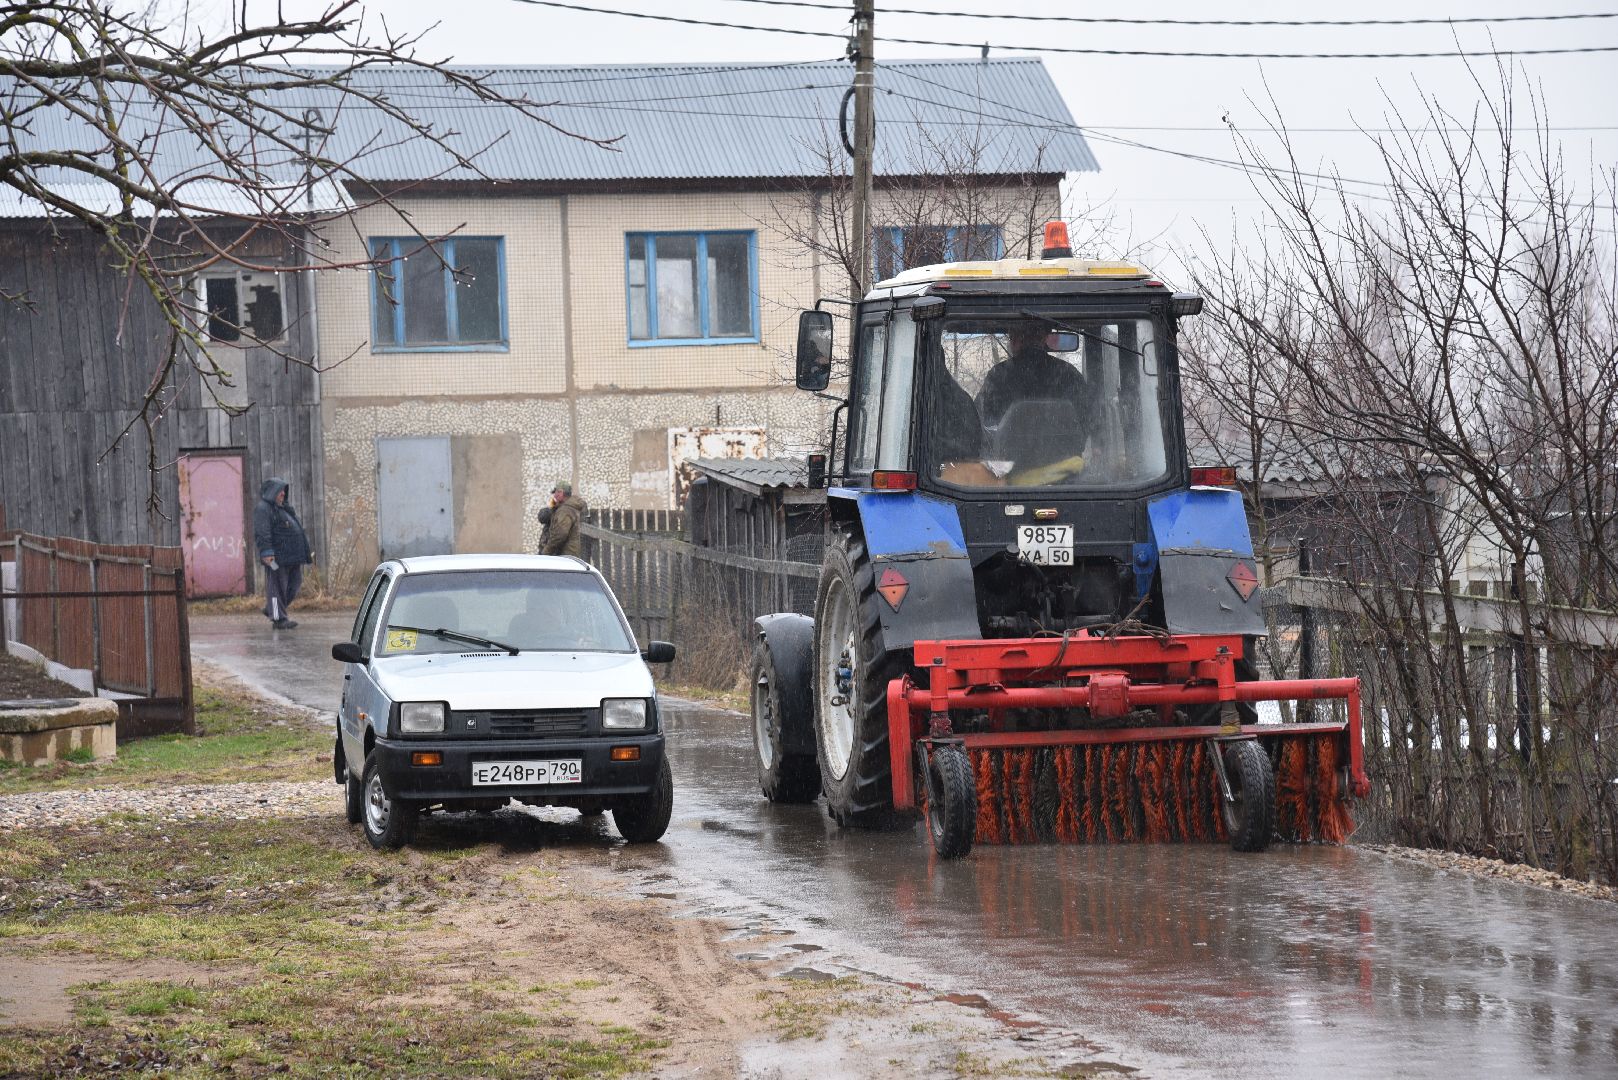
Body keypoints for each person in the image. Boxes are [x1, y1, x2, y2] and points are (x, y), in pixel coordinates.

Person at [976, 323, 1087, 425]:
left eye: (1011, 337)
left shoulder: (999, 374)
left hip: (1010, 441)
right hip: (1063, 441)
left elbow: (979, 418)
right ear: (1044, 338)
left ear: (1014, 339)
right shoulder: (1067, 372)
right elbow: (1089, 417)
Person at [253, 478, 312, 629]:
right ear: (271, 492)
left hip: (292, 557)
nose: (283, 493)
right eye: (279, 490)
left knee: (294, 584)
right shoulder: (263, 508)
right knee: (277, 588)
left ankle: (272, 609)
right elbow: (262, 532)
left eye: (284, 490)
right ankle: (279, 619)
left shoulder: (283, 508)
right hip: (276, 558)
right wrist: (267, 552)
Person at [541, 480, 588, 559]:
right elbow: (542, 517)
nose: (555, 495)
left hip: (565, 555)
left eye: (557, 492)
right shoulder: (573, 506)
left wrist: (546, 552)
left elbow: (560, 535)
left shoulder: (564, 511)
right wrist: (553, 507)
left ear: (562, 493)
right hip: (574, 553)